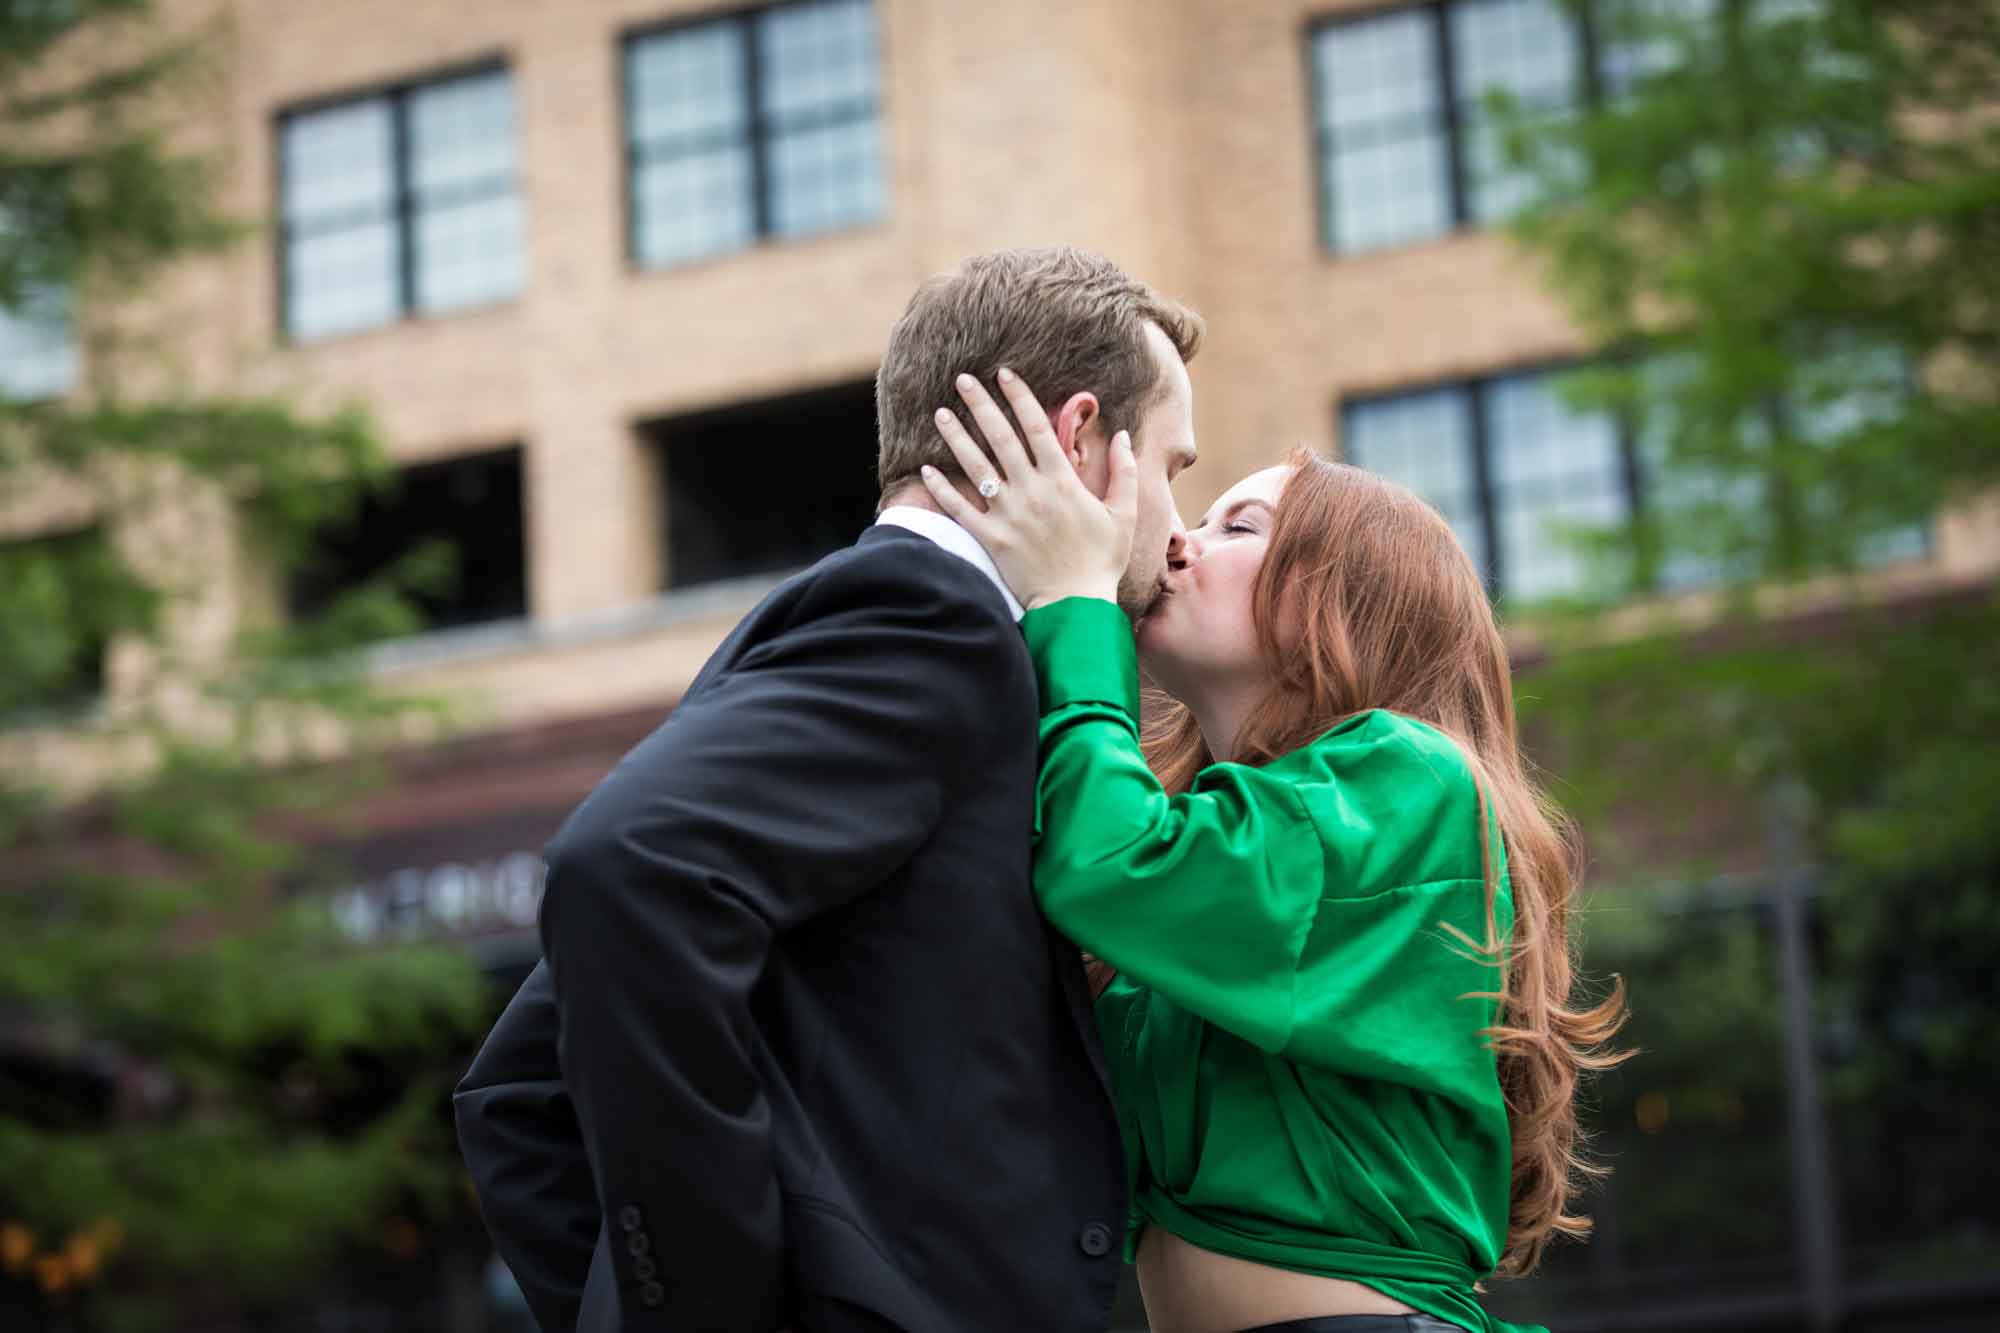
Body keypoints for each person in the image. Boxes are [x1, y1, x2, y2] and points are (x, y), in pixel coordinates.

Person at [451, 247, 1202, 1333]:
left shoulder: (860, 621)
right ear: (1079, 438)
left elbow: (519, 1096)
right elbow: (623, 870)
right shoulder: (931, 623)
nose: (1175, 527)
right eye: (1169, 467)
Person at [916, 372, 1630, 1333]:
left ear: (1353, 601)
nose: (1177, 541)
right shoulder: (1214, 842)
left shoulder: (1412, 780)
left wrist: (1076, 600)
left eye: (1236, 528)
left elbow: (1110, 863)